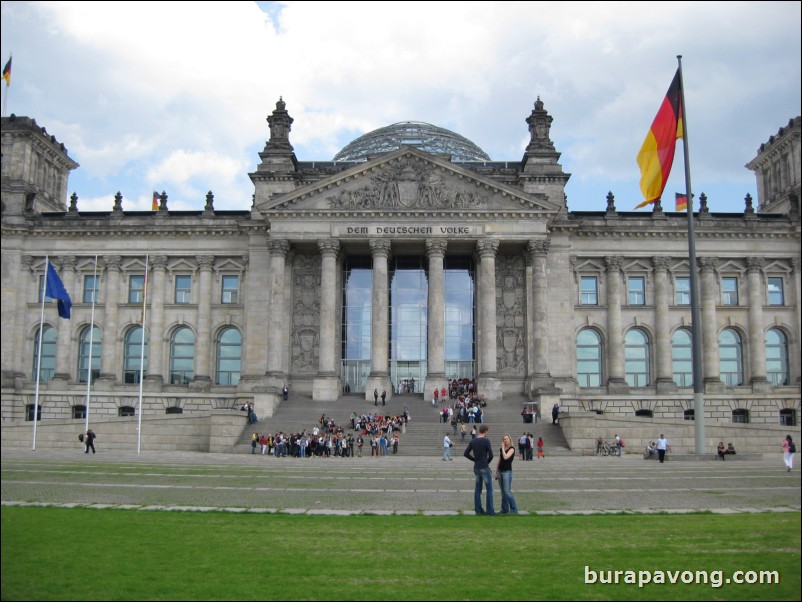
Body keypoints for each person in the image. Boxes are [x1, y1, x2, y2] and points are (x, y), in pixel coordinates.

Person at [463, 424, 495, 515]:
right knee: (489, 489)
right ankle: (490, 511)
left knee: (478, 489)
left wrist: (475, 460)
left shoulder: (473, 441)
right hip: (484, 467)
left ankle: (478, 510)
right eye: (487, 431)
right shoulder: (486, 441)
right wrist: (486, 462)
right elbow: (491, 455)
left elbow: (466, 453)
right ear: (485, 431)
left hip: (476, 467)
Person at [496, 434, 519, 514]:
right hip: (500, 471)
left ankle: (514, 509)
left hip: (507, 472)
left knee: (507, 491)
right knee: (503, 492)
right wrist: (496, 471)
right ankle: (504, 509)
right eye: (504, 439)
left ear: (510, 440)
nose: (505, 440)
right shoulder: (501, 449)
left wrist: (502, 448)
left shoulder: (512, 449)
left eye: (507, 439)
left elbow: (506, 457)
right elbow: (500, 460)